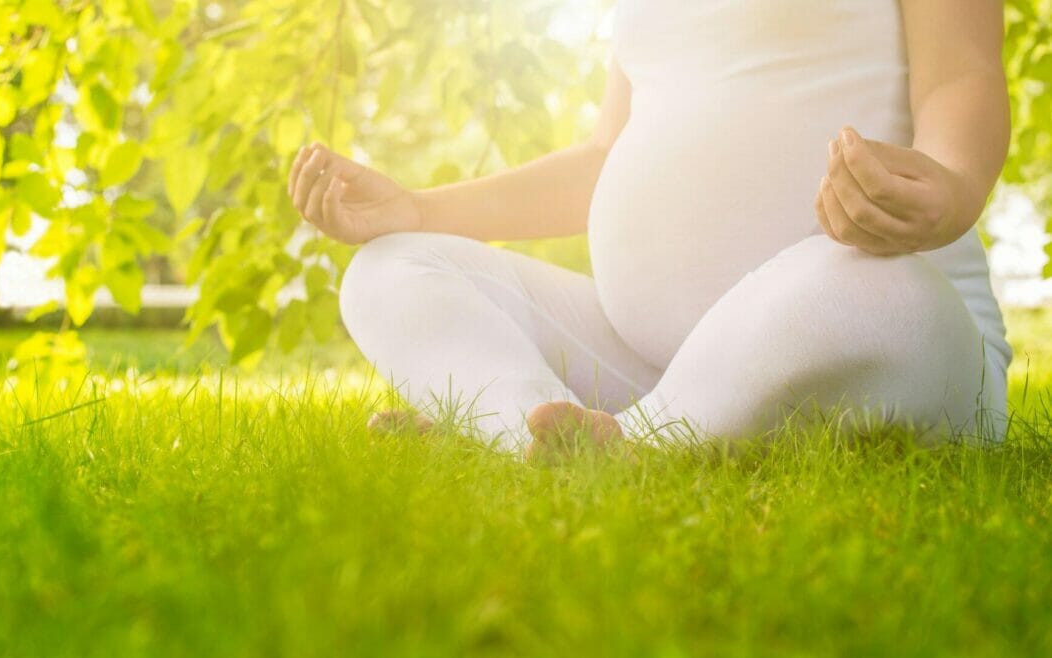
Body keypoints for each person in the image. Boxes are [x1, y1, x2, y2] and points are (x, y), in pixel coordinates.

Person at [287, 0, 1013, 462]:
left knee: (873, 289)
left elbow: (964, 76)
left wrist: (950, 186)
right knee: (392, 269)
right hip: (645, 366)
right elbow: (605, 157)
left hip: (875, 338)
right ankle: (531, 431)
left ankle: (628, 441)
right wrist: (419, 210)